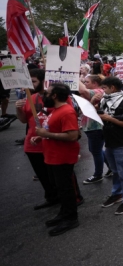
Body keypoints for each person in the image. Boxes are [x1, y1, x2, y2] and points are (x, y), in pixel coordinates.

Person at [33, 83, 82, 236]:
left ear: (54, 96)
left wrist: (46, 135)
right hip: (52, 156)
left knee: (66, 189)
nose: (44, 96)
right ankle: (63, 213)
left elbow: (73, 135)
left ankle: (71, 218)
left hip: (62, 157)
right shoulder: (55, 110)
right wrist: (41, 137)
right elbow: (52, 130)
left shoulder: (66, 112)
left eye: (47, 93)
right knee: (60, 188)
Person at [15, 69, 59, 209]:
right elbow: (24, 120)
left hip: (51, 142)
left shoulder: (54, 97)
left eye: (33, 81)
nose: (30, 84)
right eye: (29, 81)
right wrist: (18, 109)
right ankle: (50, 197)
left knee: (56, 176)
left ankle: (65, 200)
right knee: (42, 175)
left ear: (42, 81)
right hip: (32, 145)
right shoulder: (30, 98)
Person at [99, 77, 123, 215]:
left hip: (121, 142)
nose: (102, 91)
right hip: (109, 141)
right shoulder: (104, 100)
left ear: (112, 88)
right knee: (115, 171)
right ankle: (117, 193)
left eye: (104, 88)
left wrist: (110, 119)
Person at [78, 74, 113, 183]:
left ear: (95, 84)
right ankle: (111, 168)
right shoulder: (97, 91)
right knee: (96, 149)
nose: (85, 84)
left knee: (96, 151)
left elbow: (82, 91)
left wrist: (71, 74)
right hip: (90, 125)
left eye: (87, 82)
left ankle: (98, 174)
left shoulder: (97, 92)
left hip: (95, 126)